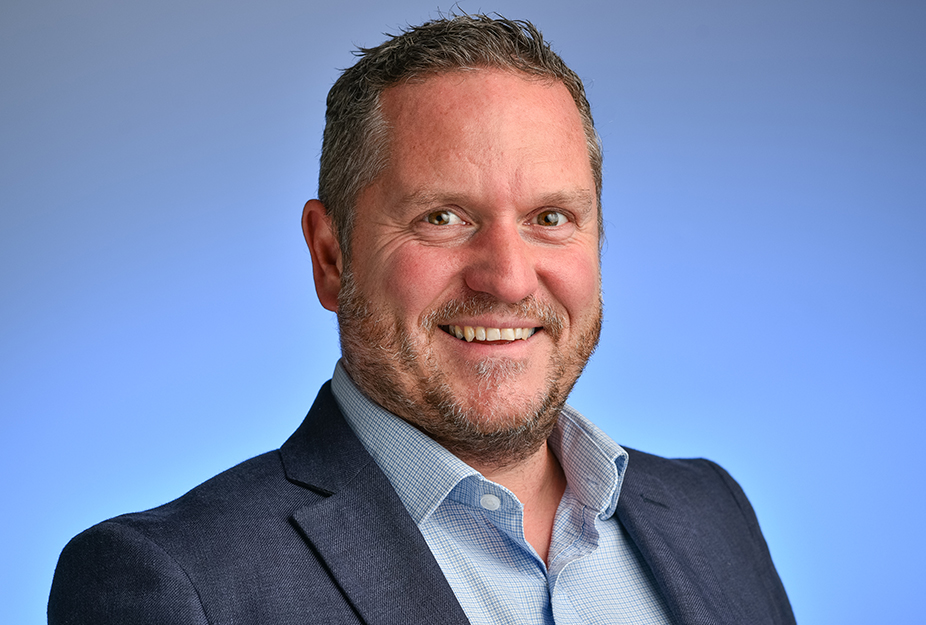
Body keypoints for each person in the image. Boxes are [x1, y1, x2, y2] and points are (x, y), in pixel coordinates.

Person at [49, 14, 795, 625]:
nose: (506, 276)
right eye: (442, 216)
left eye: (550, 217)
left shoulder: (711, 513)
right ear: (331, 255)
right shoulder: (177, 584)